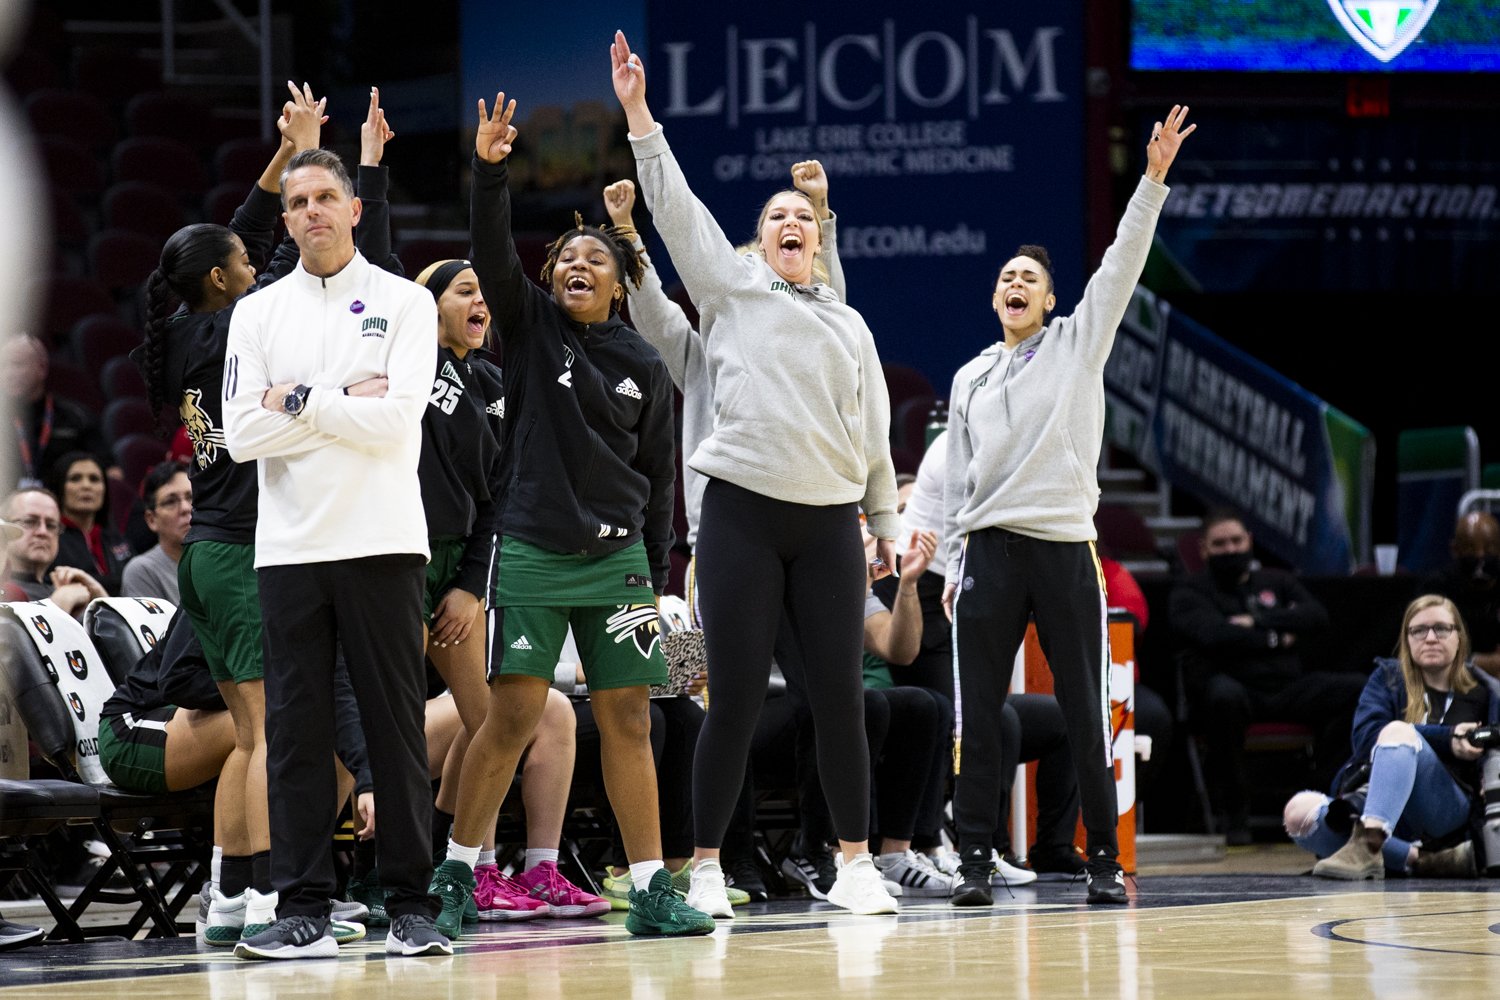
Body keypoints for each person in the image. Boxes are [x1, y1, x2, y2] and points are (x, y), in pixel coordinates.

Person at [612, 30, 901, 919]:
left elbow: (876, 430)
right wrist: (639, 119)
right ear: (754, 243)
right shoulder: (732, 293)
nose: (790, 226)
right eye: (777, 218)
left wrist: (885, 525)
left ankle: (856, 864)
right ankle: (703, 866)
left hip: (827, 524)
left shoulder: (848, 325)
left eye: (804, 221)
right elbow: (681, 214)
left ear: (820, 243)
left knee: (842, 700)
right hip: (738, 513)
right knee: (732, 698)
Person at [425, 90, 710, 941]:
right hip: (535, 556)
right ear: (549, 280)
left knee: (628, 717)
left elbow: (660, 482)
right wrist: (489, 168)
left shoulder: (646, 365)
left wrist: (655, 575)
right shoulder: (530, 325)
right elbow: (489, 248)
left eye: (596, 259)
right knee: (513, 715)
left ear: (622, 285)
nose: (577, 266)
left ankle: (655, 887)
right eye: (565, 260)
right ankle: (461, 872)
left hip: (619, 563)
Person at [135, 83, 402, 952]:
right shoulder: (240, 327)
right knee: (267, 736)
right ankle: (260, 897)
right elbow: (275, 244)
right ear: (223, 280)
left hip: (205, 552)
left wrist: (293, 151)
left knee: (253, 735)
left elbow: (246, 233)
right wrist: (308, 157)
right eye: (244, 265)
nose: (259, 266)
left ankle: (224, 891)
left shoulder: (180, 332)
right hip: (246, 543)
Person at [939, 105, 1196, 907]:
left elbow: (1121, 264)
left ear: (1051, 303)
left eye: (1030, 280)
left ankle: (1103, 866)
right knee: (977, 717)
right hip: (985, 552)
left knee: (1085, 710)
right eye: (1006, 278)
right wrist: (950, 561)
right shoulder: (970, 376)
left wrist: (1150, 181)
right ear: (995, 299)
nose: (1016, 285)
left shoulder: (1079, 344)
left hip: (1060, 548)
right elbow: (953, 482)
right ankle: (974, 861)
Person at [222, 128, 448, 960]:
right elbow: (240, 438)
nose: (313, 212)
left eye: (326, 198)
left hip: (385, 540)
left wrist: (294, 401)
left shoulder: (408, 301)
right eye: (298, 203)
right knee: (295, 731)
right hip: (287, 550)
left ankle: (412, 905)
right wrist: (338, 398)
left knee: (394, 729)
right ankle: (303, 903)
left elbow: (397, 419)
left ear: (355, 208)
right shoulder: (255, 311)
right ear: (283, 221)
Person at [598, 161, 843, 905]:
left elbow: (825, 302)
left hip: (802, 537)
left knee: (829, 701)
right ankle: (721, 857)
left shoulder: (811, 319)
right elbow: (650, 307)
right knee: (707, 703)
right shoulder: (698, 354)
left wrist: (822, 213)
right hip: (720, 550)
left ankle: (817, 850)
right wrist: (625, 232)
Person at [1169, 507, 1361, 845]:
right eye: (1220, 544)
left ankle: (1322, 791)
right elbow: (1214, 635)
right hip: (1234, 691)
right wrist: (1276, 635)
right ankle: (1236, 816)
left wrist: (1255, 621)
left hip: (1287, 689)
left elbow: (1316, 617)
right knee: (1222, 697)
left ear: (1250, 542)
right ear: (1204, 550)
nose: (1230, 550)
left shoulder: (1278, 581)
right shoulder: (1189, 591)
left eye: (1236, 541)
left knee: (1358, 691)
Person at [1283, 594, 1499, 879]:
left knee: (1397, 730)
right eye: (1419, 630)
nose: (1430, 638)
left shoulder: (1484, 689)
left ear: (1459, 636)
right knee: (1299, 814)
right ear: (1407, 639)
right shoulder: (1388, 679)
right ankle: (1419, 860)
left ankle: (1370, 844)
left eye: (1441, 629)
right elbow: (1366, 737)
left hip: (1444, 808)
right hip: (1378, 800)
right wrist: (1446, 738)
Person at [1, 333, 107, 491]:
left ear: (42, 368)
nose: (8, 374)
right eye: (2, 366)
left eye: (17, 365)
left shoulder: (77, 418)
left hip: (62, 509)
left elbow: (110, 473)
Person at [1419, 511, 1500, 678]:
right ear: (1455, 550)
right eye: (1471, 549)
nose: (1480, 556)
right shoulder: (1437, 590)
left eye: (1489, 548)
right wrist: (1480, 662)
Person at [2, 487, 106, 616]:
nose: (42, 532)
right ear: (5, 528)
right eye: (29, 521)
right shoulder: (4, 592)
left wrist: (101, 600)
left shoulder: (66, 589)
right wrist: (60, 605)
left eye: (51, 525)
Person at [45, 451, 132, 597]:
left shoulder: (117, 539)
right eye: (75, 478)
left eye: (94, 479)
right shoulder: (49, 539)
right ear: (59, 487)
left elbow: (133, 583)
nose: (86, 486)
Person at [120, 460, 191, 603]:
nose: (186, 508)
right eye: (171, 502)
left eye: (191, 497)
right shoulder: (142, 571)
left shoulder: (221, 559)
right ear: (151, 519)